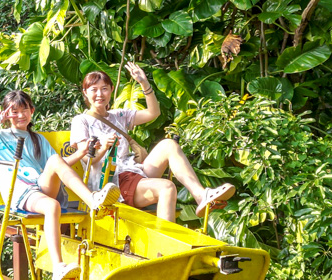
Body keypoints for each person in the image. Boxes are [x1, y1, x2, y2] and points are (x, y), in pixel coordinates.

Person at [0, 90, 119, 280]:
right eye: (14, 111)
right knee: (52, 207)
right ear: (6, 114)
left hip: (42, 185)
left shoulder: (38, 139)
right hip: (22, 194)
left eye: (24, 110)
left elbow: (59, 166)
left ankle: (93, 200)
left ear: (32, 111)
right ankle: (59, 267)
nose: (20, 115)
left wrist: (80, 153)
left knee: (54, 160)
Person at [69, 63, 234, 222]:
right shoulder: (81, 120)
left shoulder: (118, 116)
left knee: (169, 145)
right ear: (85, 93)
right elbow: (87, 159)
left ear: (112, 90)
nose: (99, 94)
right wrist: (104, 146)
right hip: (111, 183)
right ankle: (166, 247)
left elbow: (153, 113)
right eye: (94, 90)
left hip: (134, 172)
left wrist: (144, 82)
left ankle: (201, 195)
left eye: (104, 89)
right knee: (167, 187)